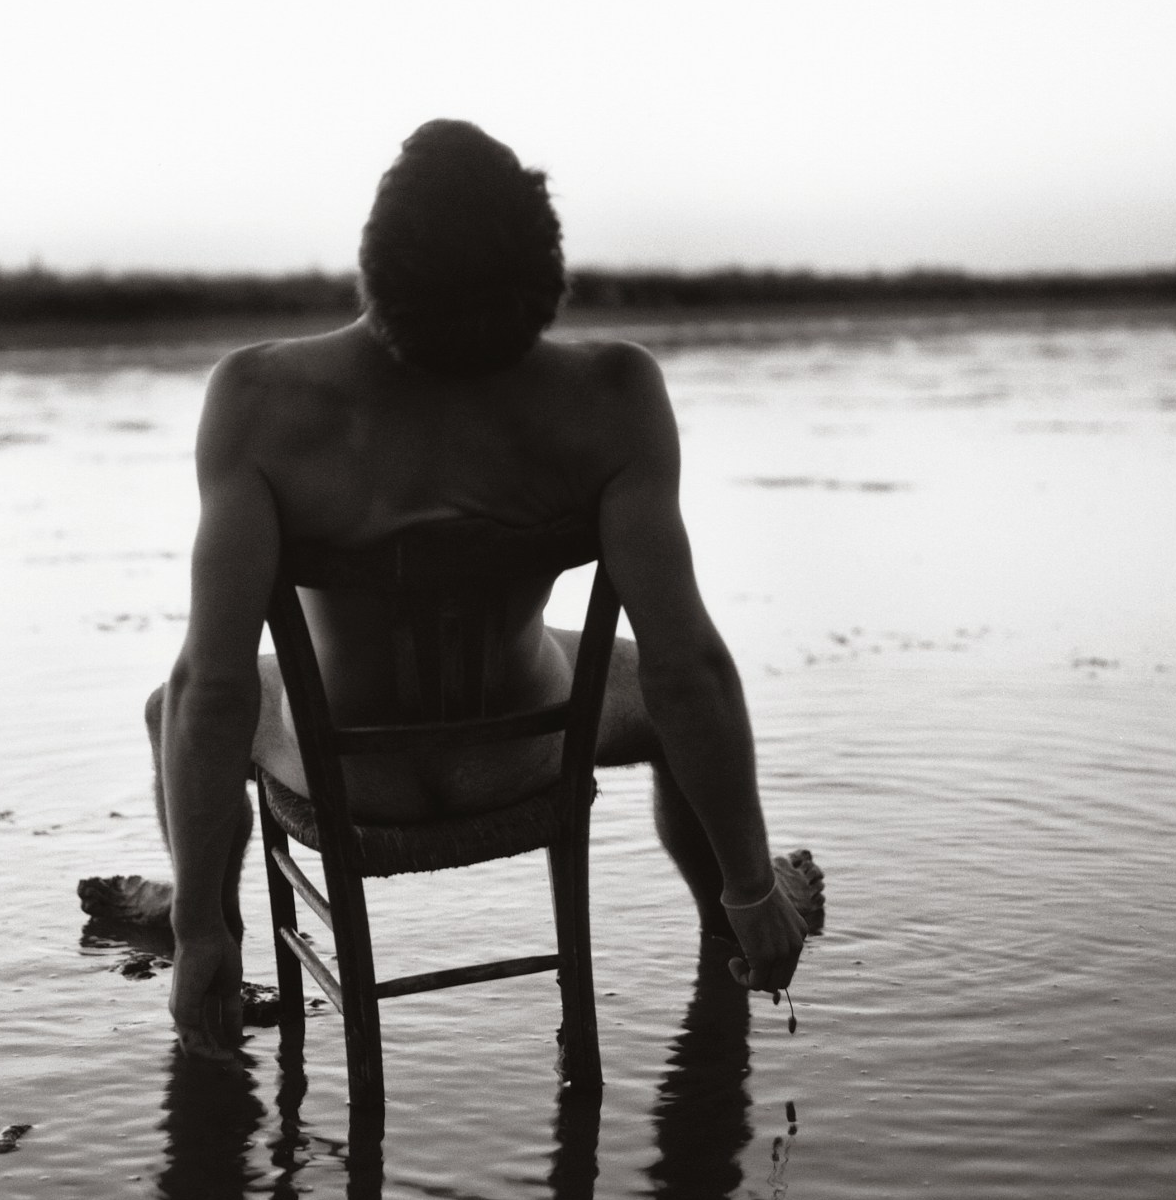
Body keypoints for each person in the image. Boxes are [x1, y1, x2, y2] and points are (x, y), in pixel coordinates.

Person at [81, 120, 821, 1057]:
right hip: (526, 754)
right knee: (673, 686)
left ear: (373, 264)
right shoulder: (614, 395)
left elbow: (213, 689)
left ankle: (202, 917)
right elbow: (689, 674)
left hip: (345, 774)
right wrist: (755, 883)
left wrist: (197, 943)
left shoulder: (260, 399)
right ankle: (744, 913)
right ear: (540, 273)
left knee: (169, 703)